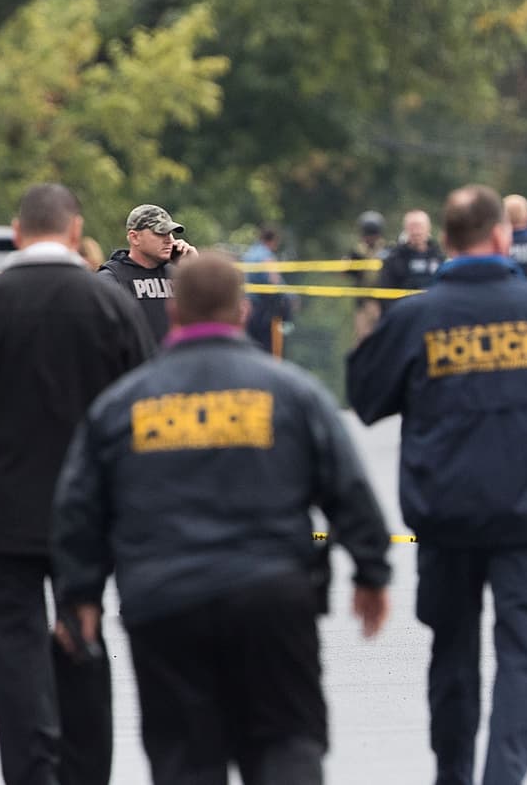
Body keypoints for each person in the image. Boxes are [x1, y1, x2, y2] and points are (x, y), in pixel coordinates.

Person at [52, 253, 392, 785]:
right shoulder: (291, 392)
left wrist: (80, 599)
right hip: (272, 601)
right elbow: (347, 486)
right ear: (244, 311)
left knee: (186, 760)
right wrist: (371, 573)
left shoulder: (124, 404)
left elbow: (79, 508)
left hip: (163, 604)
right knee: (286, 745)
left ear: (174, 311)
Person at [0, 183, 155, 785]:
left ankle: (31, 772)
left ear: (17, 233)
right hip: (89, 516)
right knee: (82, 634)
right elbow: (146, 409)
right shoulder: (111, 307)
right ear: (75, 232)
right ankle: (86, 773)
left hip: (1, 515)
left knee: (15, 651)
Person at [347, 185, 527, 785]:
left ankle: (452, 776)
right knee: (521, 661)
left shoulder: (415, 317)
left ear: (446, 242)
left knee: (451, 655)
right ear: (503, 236)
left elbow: (365, 397)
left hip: (447, 513)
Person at [98, 204, 198, 343]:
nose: (169, 239)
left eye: (170, 233)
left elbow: (215, 313)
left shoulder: (179, 273)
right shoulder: (111, 279)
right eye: (160, 233)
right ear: (135, 238)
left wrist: (195, 269)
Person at [242, 225, 292, 353]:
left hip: (247, 309)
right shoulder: (266, 256)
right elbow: (274, 280)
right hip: (265, 311)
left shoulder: (249, 254)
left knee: (250, 347)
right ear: (273, 241)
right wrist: (289, 297)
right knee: (268, 350)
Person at [379, 209, 444, 304]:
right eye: (412, 226)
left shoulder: (439, 256)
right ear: (405, 229)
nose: (416, 231)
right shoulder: (394, 258)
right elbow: (386, 293)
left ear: (428, 228)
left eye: (420, 226)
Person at [347, 210, 387, 344]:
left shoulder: (386, 251)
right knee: (362, 340)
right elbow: (347, 272)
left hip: (382, 302)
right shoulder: (357, 252)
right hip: (363, 302)